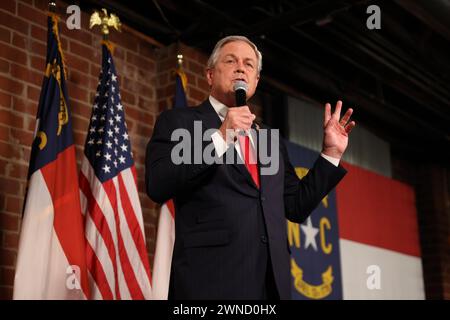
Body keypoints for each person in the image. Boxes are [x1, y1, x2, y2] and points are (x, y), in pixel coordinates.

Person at [145, 35, 355, 299]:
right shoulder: (180, 123)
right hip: (210, 283)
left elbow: (296, 205)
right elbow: (159, 183)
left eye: (249, 65)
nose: (241, 68)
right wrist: (221, 138)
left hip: (269, 285)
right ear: (210, 75)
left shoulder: (269, 139)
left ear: (255, 81)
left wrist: (331, 153)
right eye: (231, 61)